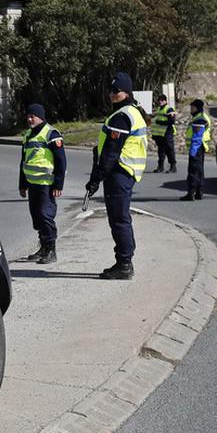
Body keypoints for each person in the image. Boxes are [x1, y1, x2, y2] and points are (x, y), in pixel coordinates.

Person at [85, 72, 149, 281]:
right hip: (124, 173)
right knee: (121, 218)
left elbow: (111, 152)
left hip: (119, 173)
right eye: (111, 90)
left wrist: (96, 178)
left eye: (116, 91)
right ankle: (123, 261)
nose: (112, 94)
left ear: (126, 92)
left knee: (119, 219)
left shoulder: (122, 116)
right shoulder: (131, 112)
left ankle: (124, 264)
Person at [18, 103, 67, 264]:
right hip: (33, 184)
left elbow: (61, 161)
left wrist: (58, 185)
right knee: (37, 217)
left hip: (47, 184)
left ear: (41, 117)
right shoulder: (28, 135)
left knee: (46, 216)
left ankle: (51, 250)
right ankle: (43, 248)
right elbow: (24, 161)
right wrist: (22, 184)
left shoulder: (51, 134)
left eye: (33, 116)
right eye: (28, 116)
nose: (29, 119)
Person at [180, 98, 212, 201]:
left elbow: (197, 137)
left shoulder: (200, 119)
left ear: (196, 108)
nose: (191, 109)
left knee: (193, 170)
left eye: (192, 107)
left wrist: (193, 151)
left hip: (197, 147)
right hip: (199, 147)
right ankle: (199, 192)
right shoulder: (200, 117)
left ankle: (191, 193)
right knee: (199, 170)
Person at [150, 93, 177, 173]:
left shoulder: (169, 109)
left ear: (165, 101)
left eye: (162, 100)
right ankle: (160, 166)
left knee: (169, 149)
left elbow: (172, 121)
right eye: (159, 100)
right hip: (160, 134)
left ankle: (173, 166)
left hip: (168, 132)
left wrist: (161, 122)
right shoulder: (159, 109)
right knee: (161, 150)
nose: (160, 102)